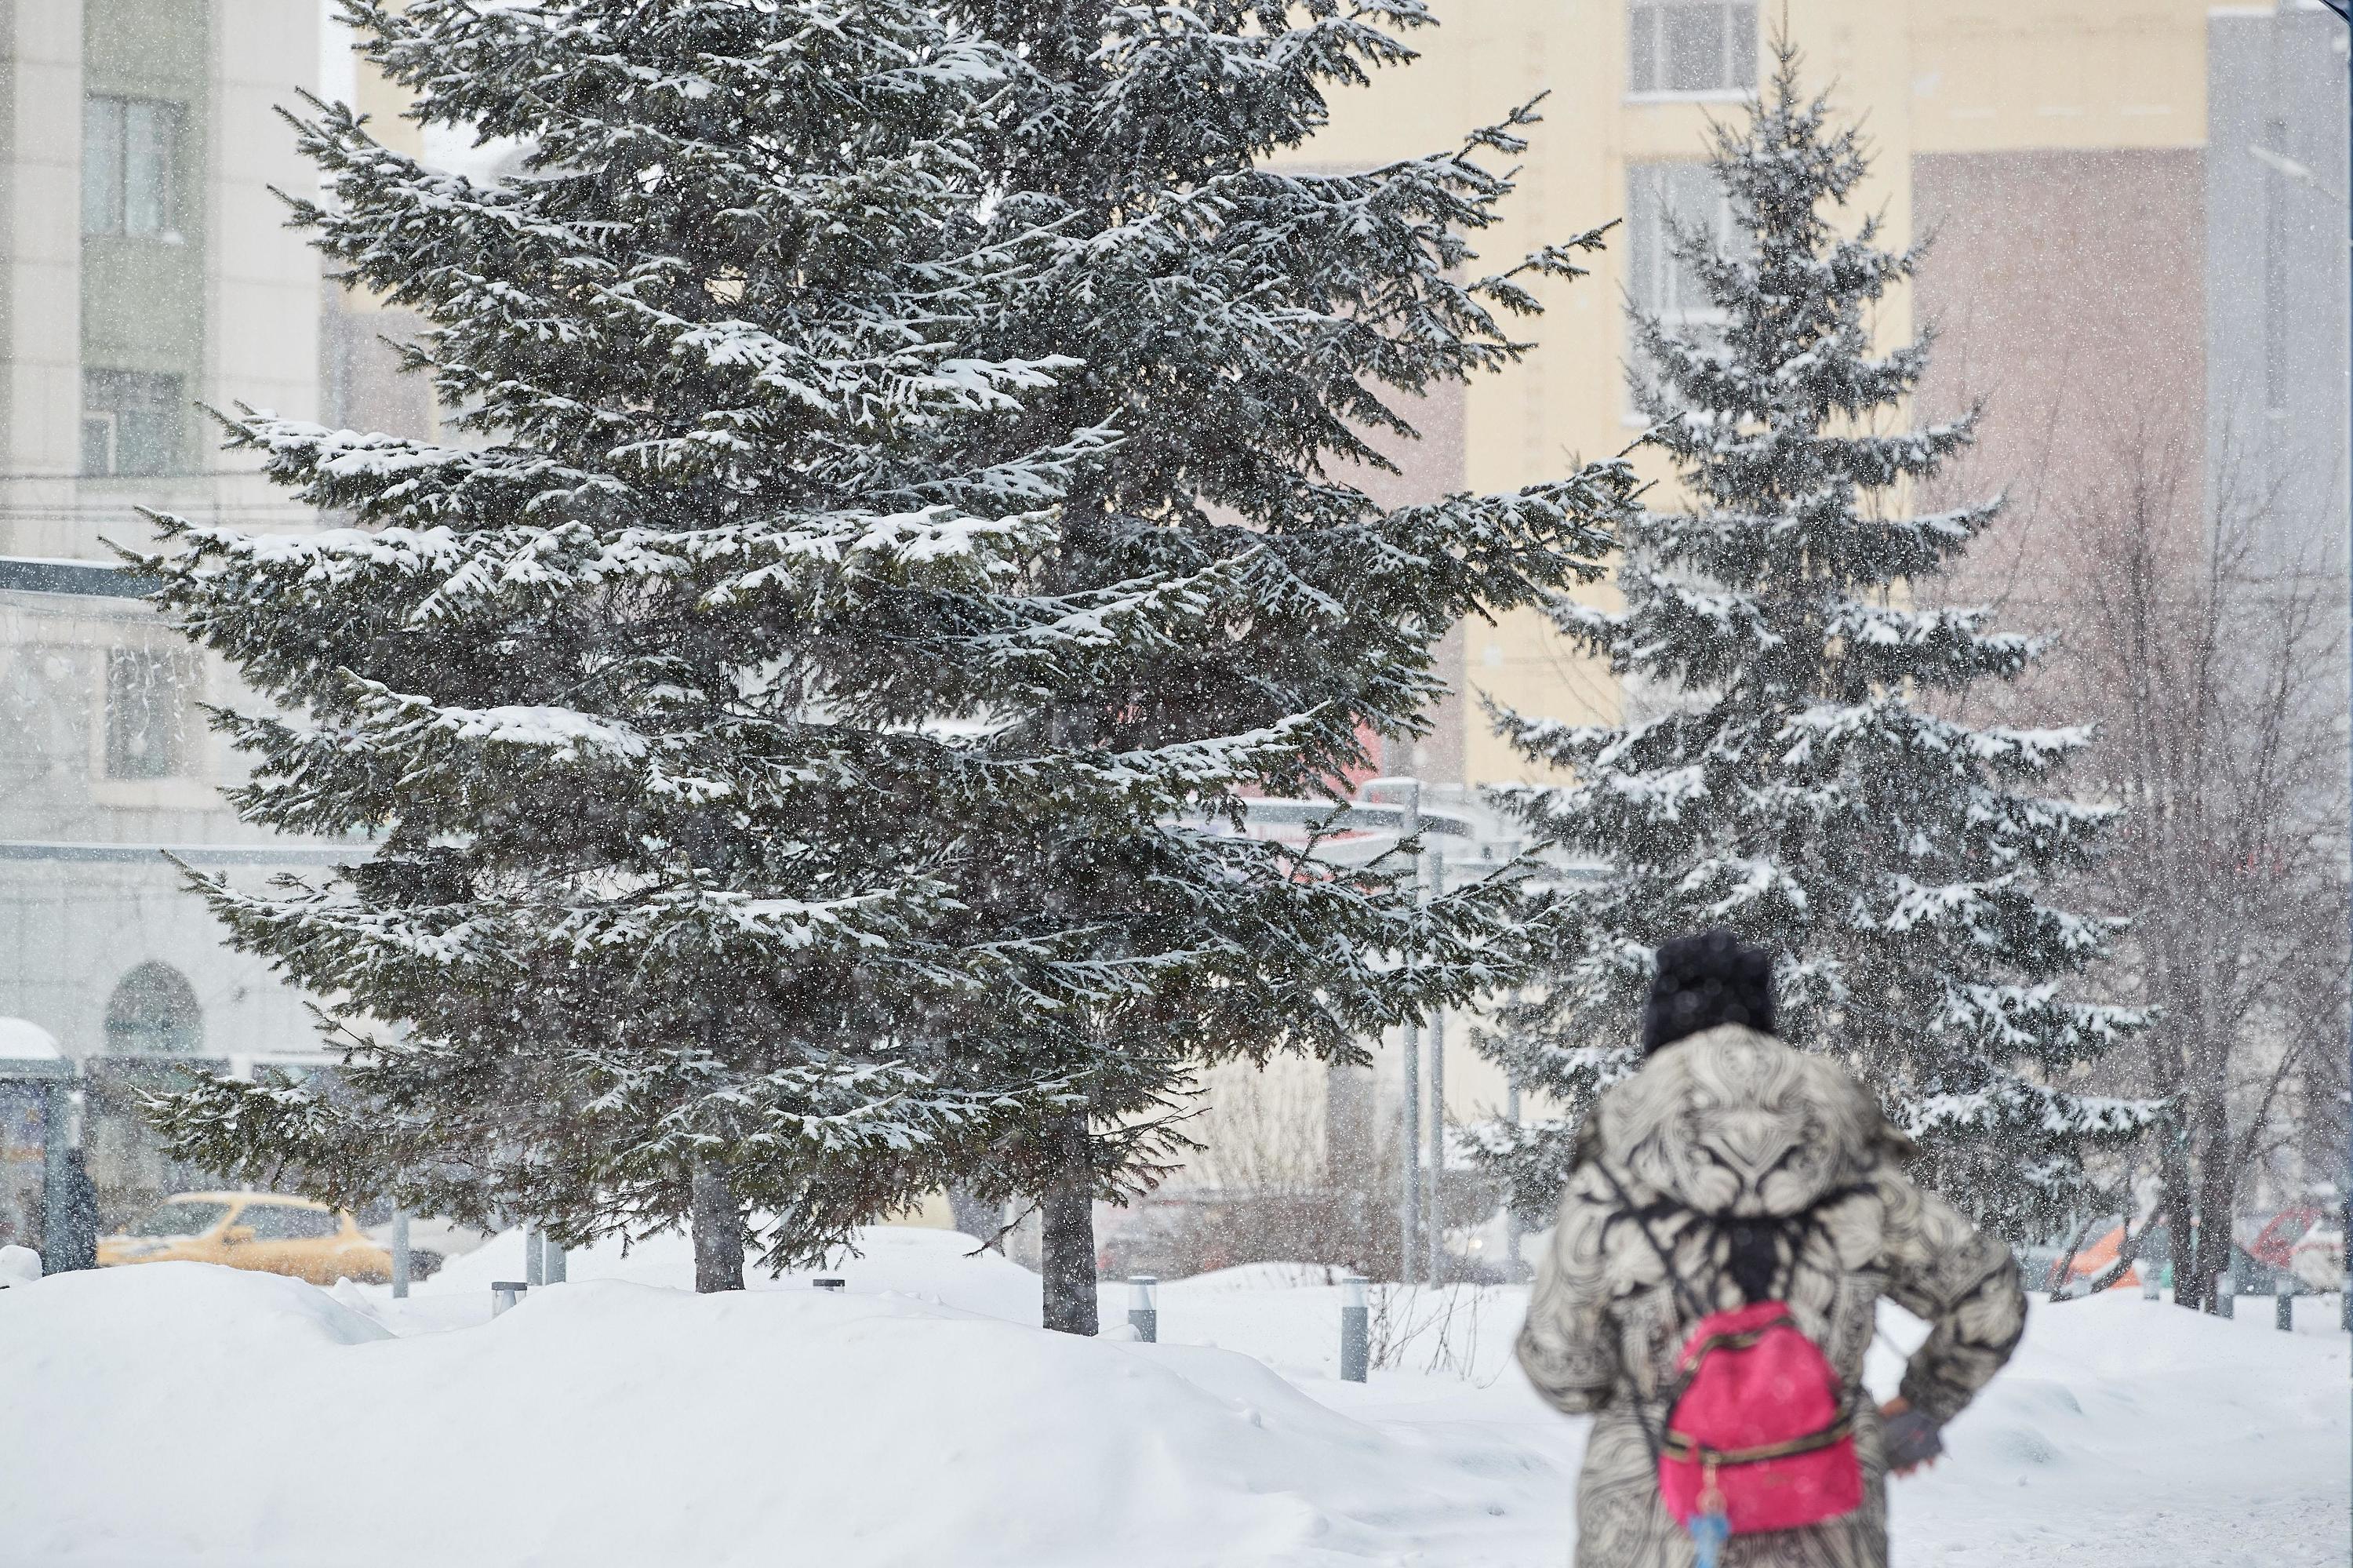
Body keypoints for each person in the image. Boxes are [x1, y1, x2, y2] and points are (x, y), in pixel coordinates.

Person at [1517, 929, 2026, 1568]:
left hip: (1655, 1516)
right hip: (1824, 1514)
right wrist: (1923, 1405)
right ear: (1766, 1024)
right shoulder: (1853, 1171)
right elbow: (1989, 1293)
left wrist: (1655, 1383)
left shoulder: (1612, 1180)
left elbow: (1560, 1366)